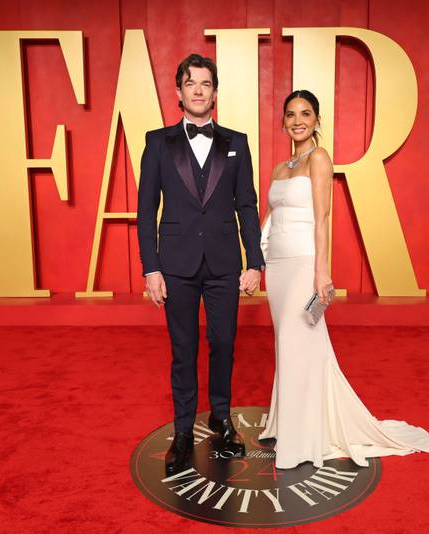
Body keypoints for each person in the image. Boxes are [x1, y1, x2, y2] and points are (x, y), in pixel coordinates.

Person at [258, 90, 429, 468]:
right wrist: (255, 263)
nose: (298, 121)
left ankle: (301, 439)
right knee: (288, 345)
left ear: (316, 120)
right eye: (291, 114)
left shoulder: (319, 158)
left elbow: (322, 217)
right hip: (277, 266)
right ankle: (291, 423)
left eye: (306, 114)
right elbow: (269, 219)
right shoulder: (280, 168)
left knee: (300, 345)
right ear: (283, 122)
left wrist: (321, 271)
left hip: (302, 263)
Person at [137, 54, 264, 476]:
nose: (197, 90)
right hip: (176, 265)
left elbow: (246, 204)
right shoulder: (157, 142)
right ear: (178, 92)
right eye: (190, 83)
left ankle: (221, 418)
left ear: (214, 92)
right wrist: (150, 268)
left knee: (224, 343)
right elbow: (145, 210)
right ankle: (183, 432)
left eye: (205, 83)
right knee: (183, 350)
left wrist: (254, 261)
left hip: (226, 263)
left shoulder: (237, 142)